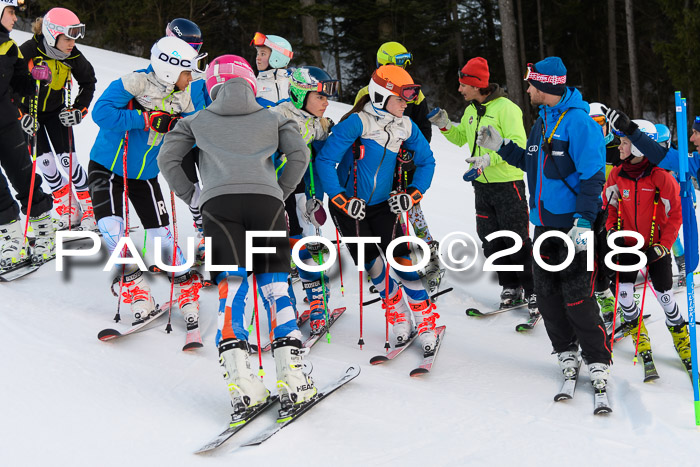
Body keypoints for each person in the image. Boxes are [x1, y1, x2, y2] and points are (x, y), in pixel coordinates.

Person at [157, 55, 314, 423]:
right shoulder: (275, 115)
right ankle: (293, 380)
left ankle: (244, 387)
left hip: (218, 209)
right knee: (276, 287)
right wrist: (280, 188)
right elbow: (300, 153)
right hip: (267, 204)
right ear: (250, 83)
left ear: (213, 85)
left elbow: (167, 159)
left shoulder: (195, 119)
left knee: (232, 288)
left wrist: (193, 195)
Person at [476, 57, 610, 390]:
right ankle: (565, 351)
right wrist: (501, 147)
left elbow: (593, 175)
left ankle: (597, 359)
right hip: (544, 227)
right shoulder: (541, 121)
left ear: (547, 86)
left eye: (532, 84)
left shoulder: (579, 123)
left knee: (578, 298)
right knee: (548, 296)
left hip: (574, 227)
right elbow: (529, 161)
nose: (528, 89)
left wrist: (583, 220)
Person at [315, 65, 441, 353]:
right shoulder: (357, 123)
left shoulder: (405, 125)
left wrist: (411, 194)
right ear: (381, 96)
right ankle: (398, 314)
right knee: (374, 266)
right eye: (401, 99)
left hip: (386, 206)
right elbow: (325, 162)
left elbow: (427, 162)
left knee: (405, 264)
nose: (406, 104)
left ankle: (425, 320)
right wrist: (340, 199)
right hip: (349, 209)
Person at [87, 36, 205, 326]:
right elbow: (101, 113)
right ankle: (136, 289)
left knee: (162, 237)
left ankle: (185, 285)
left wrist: (177, 126)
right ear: (169, 70)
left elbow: (195, 133)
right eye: (187, 72)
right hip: (107, 166)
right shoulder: (134, 83)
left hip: (145, 176)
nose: (191, 79)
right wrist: (146, 119)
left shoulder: (186, 97)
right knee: (112, 230)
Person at [428, 57, 535, 313]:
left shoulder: (506, 108)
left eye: (463, 84)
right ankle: (510, 286)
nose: (459, 89)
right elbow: (460, 138)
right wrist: (444, 125)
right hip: (481, 186)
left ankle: (534, 291)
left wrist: (489, 158)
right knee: (491, 241)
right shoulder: (470, 110)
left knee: (516, 240)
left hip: (508, 184)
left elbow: (518, 144)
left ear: (477, 85)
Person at [602, 120, 689, 371]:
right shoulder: (617, 175)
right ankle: (639, 336)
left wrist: (664, 245)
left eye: (626, 143)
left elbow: (675, 215)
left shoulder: (661, 176)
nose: (620, 147)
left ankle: (681, 339)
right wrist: (610, 230)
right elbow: (610, 207)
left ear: (640, 148)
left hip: (655, 247)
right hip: (627, 245)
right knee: (625, 294)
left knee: (664, 296)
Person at [354, 42, 440, 279]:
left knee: (411, 206)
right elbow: (357, 130)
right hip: (378, 167)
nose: (405, 68)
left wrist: (411, 154)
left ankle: (430, 255)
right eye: (400, 63)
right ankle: (395, 262)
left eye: (406, 63)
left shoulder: (415, 93)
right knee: (386, 213)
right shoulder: (366, 92)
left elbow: (423, 127)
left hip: (405, 164)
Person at [271, 66, 339, 333]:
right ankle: (285, 307)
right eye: (320, 97)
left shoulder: (319, 122)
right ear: (301, 95)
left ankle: (318, 303)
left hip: (302, 192)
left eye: (326, 97)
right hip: (275, 193)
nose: (326, 102)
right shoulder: (276, 117)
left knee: (308, 246)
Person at [18, 7, 97, 231]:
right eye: (67, 38)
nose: (72, 43)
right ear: (52, 34)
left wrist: (79, 109)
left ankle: (90, 207)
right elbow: (7, 85)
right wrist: (20, 115)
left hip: (56, 114)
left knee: (68, 163)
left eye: (75, 37)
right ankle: (68, 208)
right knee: (47, 165)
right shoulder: (28, 51)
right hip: (29, 115)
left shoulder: (73, 55)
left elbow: (89, 82)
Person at [0, 0, 55, 267]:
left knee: (24, 177)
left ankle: (45, 232)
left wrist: (35, 77)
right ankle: (12, 240)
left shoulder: (9, 47)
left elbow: (22, 83)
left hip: (7, 124)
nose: (14, 18)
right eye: (10, 12)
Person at [165, 17, 210, 262]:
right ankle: (203, 231)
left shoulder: (200, 72)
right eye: (190, 48)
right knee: (192, 191)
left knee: (213, 186)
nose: (194, 54)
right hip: (180, 140)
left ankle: (217, 232)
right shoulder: (163, 66)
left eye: (197, 49)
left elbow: (211, 98)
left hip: (203, 137)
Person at [251, 32, 293, 107]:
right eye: (257, 54)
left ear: (277, 57)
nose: (257, 58)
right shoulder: (253, 86)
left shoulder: (295, 84)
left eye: (262, 54)